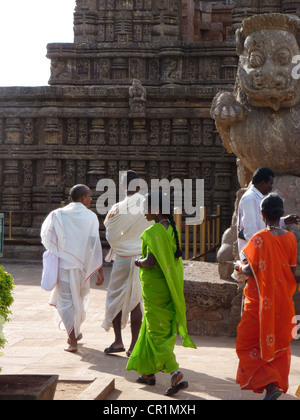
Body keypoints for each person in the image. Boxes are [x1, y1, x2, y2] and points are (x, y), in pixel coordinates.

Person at [126, 191, 196, 397]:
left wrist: (137, 261)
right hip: (167, 289)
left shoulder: (153, 232)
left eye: (146, 206)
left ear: (155, 209)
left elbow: (150, 262)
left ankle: (175, 371)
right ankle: (148, 373)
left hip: (155, 290)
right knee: (153, 327)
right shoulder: (171, 230)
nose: (143, 211)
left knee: (156, 332)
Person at [234, 193, 298, 400]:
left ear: (262, 215)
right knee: (279, 344)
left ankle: (270, 386)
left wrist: (239, 266)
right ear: (281, 213)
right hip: (282, 302)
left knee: (246, 344)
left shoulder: (258, 239)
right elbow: (291, 270)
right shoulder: (290, 238)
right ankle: (274, 385)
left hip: (260, 303)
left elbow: (249, 271)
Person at [41, 184, 104, 352]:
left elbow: (46, 237)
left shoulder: (58, 214)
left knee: (66, 301)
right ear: (82, 198)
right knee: (78, 299)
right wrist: (98, 268)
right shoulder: (90, 216)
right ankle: (73, 335)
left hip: (64, 264)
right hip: (82, 265)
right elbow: (93, 244)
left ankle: (73, 337)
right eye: (89, 196)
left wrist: (59, 251)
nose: (91, 199)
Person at [102, 171, 151, 357]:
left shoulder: (117, 208)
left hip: (122, 257)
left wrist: (122, 247)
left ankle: (117, 341)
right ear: (140, 187)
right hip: (142, 258)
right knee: (136, 301)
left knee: (115, 298)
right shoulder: (148, 206)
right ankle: (133, 345)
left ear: (123, 187)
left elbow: (110, 234)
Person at [237, 167, 299, 259]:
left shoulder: (259, 197)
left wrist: (284, 221)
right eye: (270, 183)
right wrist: (262, 252)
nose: (272, 187)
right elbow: (250, 231)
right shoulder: (249, 199)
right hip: (253, 253)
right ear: (262, 183)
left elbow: (262, 223)